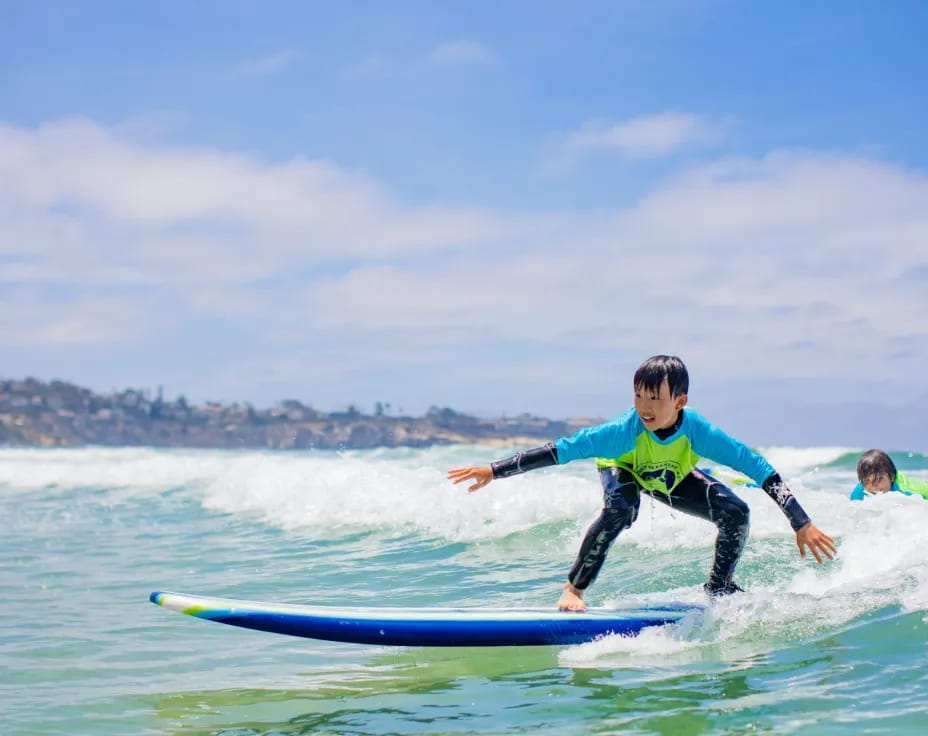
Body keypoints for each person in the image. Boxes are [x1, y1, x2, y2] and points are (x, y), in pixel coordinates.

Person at [448, 355, 836, 611]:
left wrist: (800, 521)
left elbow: (758, 467)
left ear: (679, 401)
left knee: (736, 511)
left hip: (670, 476)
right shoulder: (623, 432)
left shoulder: (699, 432)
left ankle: (719, 588)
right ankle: (573, 589)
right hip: (624, 469)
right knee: (621, 508)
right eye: (637, 396)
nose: (644, 406)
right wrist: (494, 470)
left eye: (653, 397)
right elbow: (559, 451)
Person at [850, 449, 928, 501]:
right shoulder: (858, 494)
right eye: (867, 481)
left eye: (879, 479)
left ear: (892, 477)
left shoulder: (907, 495)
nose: (873, 486)